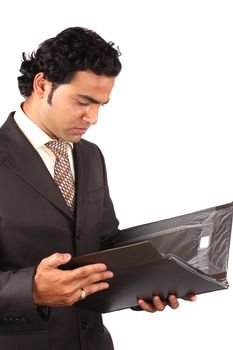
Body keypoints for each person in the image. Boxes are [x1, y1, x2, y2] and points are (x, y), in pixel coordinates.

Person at [0, 27, 196, 350]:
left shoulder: (90, 155)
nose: (92, 118)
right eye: (83, 101)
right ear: (41, 84)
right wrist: (31, 290)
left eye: (101, 105)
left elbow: (102, 247)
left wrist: (147, 284)